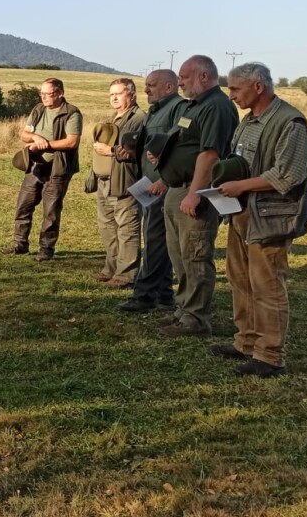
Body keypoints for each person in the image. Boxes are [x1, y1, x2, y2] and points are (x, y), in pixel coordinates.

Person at [211, 62, 307, 377]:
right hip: (241, 212)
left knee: (266, 285)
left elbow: (288, 174)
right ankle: (246, 342)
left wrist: (240, 185)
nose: (231, 96)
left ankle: (269, 356)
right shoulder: (248, 120)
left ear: (258, 87)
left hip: (271, 216)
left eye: (236, 89)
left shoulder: (290, 121)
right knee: (240, 280)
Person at [156, 55, 239, 338]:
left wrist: (194, 193)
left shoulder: (216, 106)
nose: (179, 82)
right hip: (177, 188)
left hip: (196, 190)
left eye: (184, 77)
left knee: (195, 253)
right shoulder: (194, 106)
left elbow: (210, 154)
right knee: (178, 255)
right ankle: (184, 310)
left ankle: (196, 318)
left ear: (204, 76)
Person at [117, 69, 187, 312]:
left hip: (161, 184)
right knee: (160, 240)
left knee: (155, 240)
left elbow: (177, 144)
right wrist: (132, 149)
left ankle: (144, 296)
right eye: (146, 85)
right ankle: (164, 294)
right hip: (148, 182)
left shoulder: (179, 108)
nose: (146, 89)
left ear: (169, 87)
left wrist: (164, 179)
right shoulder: (156, 109)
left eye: (151, 85)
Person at [2, 78, 83, 261]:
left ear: (60, 93)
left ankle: (46, 249)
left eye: (48, 94)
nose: (44, 97)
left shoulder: (72, 113)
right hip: (35, 166)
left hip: (58, 169)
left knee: (51, 211)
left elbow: (72, 141)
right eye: (42, 93)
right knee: (24, 205)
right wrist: (35, 137)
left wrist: (44, 145)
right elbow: (24, 134)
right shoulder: (38, 109)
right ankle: (19, 244)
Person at [92, 78, 146, 287]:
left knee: (127, 229)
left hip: (125, 182)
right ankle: (111, 268)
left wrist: (111, 151)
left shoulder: (139, 118)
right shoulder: (115, 118)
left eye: (119, 93)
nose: (114, 98)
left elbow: (138, 151)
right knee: (107, 228)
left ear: (131, 95)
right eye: (111, 94)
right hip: (106, 181)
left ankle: (126, 275)